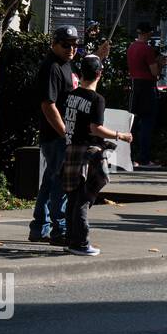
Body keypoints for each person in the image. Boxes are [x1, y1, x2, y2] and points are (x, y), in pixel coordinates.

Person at [58, 55, 130, 257]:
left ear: (80, 73)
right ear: (99, 74)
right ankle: (80, 243)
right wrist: (120, 135)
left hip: (71, 149)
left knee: (73, 196)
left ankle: (70, 239)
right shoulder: (97, 100)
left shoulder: (72, 96)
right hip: (87, 152)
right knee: (83, 197)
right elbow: (95, 128)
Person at [28, 26, 79, 245]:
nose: (71, 49)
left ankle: (40, 227)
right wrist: (65, 133)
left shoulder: (64, 64)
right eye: (66, 45)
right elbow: (48, 105)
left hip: (61, 135)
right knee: (60, 183)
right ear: (54, 44)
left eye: (75, 45)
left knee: (50, 182)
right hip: (56, 135)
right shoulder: (51, 68)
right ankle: (60, 229)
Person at [126, 22, 161, 168]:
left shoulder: (131, 47)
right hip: (147, 87)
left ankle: (129, 156)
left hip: (135, 85)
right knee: (147, 123)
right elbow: (154, 72)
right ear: (147, 33)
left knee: (132, 123)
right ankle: (144, 158)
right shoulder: (147, 49)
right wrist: (161, 64)